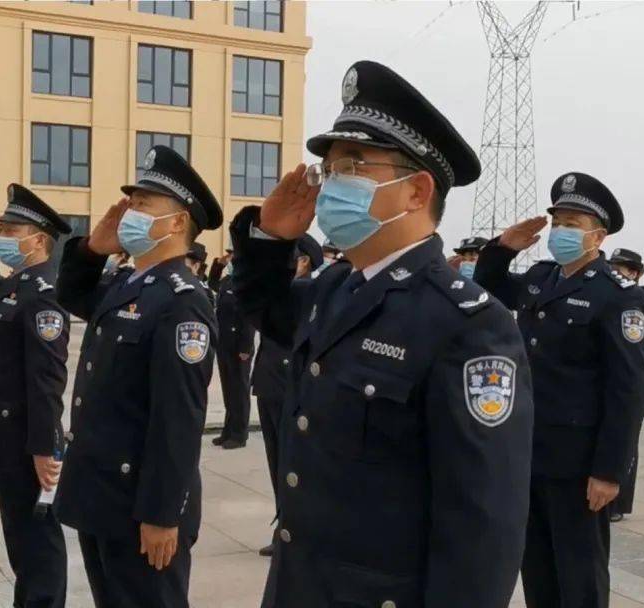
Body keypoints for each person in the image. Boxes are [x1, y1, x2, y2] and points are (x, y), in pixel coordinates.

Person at [230, 60, 534, 607]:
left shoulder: (467, 322)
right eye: (329, 166)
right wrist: (270, 240)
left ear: (416, 191)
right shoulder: (335, 288)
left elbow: (482, 524)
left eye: (353, 165)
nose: (330, 182)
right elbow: (266, 309)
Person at [53, 146, 221, 608]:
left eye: (145, 203)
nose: (131, 210)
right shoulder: (129, 283)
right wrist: (90, 250)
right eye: (132, 200)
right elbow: (73, 292)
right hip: (104, 496)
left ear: (178, 222)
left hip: (141, 507)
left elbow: (179, 420)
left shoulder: (182, 301)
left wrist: (162, 514)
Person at [474, 172, 644, 608]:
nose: (561, 231)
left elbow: (627, 392)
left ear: (598, 235)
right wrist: (501, 248)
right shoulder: (541, 277)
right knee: (536, 564)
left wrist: (610, 471)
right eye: (558, 221)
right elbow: (491, 287)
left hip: (579, 461)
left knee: (580, 571)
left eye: (573, 223)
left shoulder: (620, 297)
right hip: (531, 450)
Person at [0, 183, 71, 608]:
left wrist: (45, 447)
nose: (5, 237)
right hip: (4, 438)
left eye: (13, 230)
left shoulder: (44, 295)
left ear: (39, 240)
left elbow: (48, 378)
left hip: (25, 440)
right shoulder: (17, 284)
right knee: (21, 539)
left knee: (38, 543)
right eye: (2, 228)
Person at [249, 233, 323, 558]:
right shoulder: (281, 293)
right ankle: (284, 528)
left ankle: (294, 532)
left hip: (289, 388)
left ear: (303, 261)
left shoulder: (308, 292)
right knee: (276, 460)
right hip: (269, 384)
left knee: (291, 464)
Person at [607, 248, 644, 524]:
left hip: (630, 382)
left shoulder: (642, 302)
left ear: (635, 274)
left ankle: (620, 503)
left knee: (626, 445)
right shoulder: (610, 297)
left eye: (622, 268)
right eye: (612, 266)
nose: (615, 271)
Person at [211, 246, 257, 449]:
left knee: (239, 389)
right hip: (224, 342)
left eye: (233, 256)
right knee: (229, 389)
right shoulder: (228, 280)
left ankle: (239, 434)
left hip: (239, 345)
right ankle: (228, 430)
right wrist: (217, 265)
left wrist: (246, 347)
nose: (231, 259)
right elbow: (212, 283)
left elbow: (249, 318)